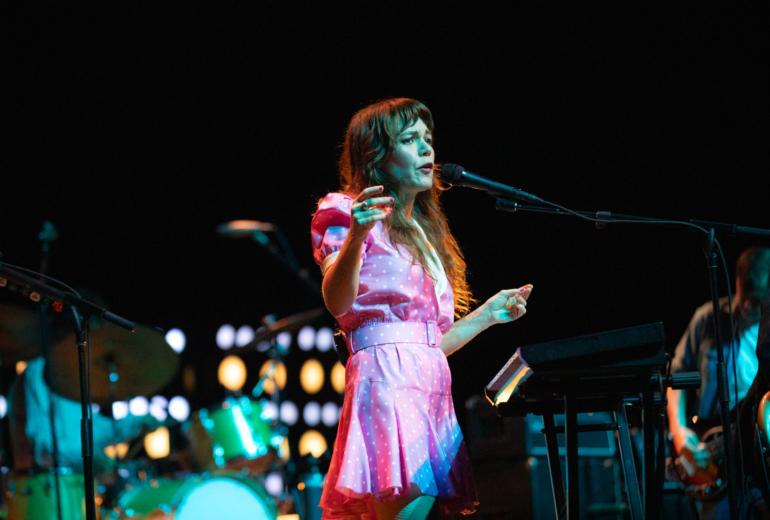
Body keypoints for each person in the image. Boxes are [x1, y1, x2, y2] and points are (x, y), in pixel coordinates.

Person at [311, 98, 533, 519]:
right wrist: (357, 234)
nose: (426, 148)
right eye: (410, 139)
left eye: (428, 138)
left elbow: (428, 345)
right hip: (388, 384)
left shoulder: (422, 233)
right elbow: (337, 301)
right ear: (377, 155)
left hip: (430, 388)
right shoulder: (344, 211)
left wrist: (488, 314)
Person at [667, 246, 770, 519]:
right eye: (744, 295)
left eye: (756, 299)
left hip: (759, 454)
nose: (747, 307)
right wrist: (678, 430)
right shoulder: (707, 318)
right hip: (712, 451)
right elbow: (676, 375)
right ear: (736, 281)